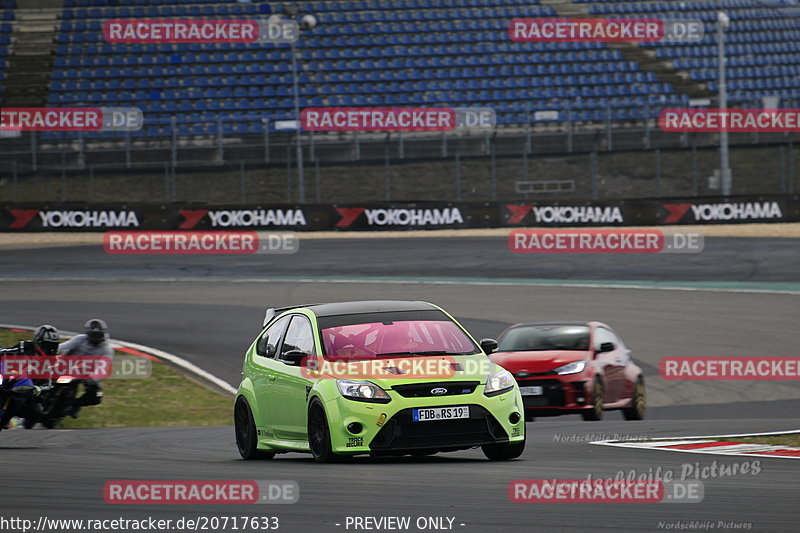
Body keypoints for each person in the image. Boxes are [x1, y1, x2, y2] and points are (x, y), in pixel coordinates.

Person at [0, 325, 60, 428]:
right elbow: (8, 352)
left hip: (27, 389)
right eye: (47, 345)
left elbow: (49, 383)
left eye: (53, 346)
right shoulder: (25, 346)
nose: (50, 349)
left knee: (36, 412)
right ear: (38, 342)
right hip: (11, 379)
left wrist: (38, 389)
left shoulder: (53, 361)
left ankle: (22, 429)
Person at [58, 319, 113, 418]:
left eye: (98, 335)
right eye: (93, 335)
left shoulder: (107, 350)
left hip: (86, 374)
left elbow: (103, 368)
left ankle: (75, 405)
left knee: (96, 396)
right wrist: (54, 353)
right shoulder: (80, 339)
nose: (95, 339)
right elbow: (62, 347)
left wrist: (93, 379)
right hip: (65, 366)